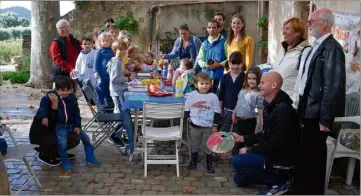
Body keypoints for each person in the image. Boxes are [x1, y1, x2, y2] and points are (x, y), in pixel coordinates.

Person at [291, 8, 346, 195]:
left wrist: (325, 118)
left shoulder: (332, 48)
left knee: (314, 155)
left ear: (323, 22)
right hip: (308, 108)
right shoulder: (316, 46)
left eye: (311, 21)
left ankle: (310, 191)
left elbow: (333, 86)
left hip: (317, 113)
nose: (308, 24)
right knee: (305, 153)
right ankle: (301, 188)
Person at [231, 72, 301, 195]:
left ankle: (281, 182)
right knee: (238, 177)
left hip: (280, 161)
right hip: (271, 155)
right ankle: (266, 178)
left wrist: (250, 150)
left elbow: (276, 143)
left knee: (237, 161)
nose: (259, 85)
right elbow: (265, 135)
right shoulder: (272, 106)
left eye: (262, 82)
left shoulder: (283, 110)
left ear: (273, 85)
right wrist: (242, 138)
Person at [38, 76, 101, 170]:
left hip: (72, 124)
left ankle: (90, 157)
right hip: (60, 126)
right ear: (57, 89)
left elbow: (76, 112)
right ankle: (64, 159)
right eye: (62, 90)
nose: (65, 93)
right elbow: (42, 105)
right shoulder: (51, 97)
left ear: (71, 89)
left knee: (86, 139)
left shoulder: (72, 98)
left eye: (68, 90)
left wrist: (77, 125)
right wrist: (44, 116)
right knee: (62, 143)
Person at [29, 91, 80, 166]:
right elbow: (52, 125)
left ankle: (56, 152)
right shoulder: (45, 107)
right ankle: (45, 155)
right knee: (61, 136)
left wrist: (77, 125)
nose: (65, 93)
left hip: (52, 133)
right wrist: (54, 107)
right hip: (41, 137)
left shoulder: (66, 102)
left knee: (74, 137)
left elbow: (73, 116)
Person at [184, 72, 221, 173]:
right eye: (202, 83)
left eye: (207, 83)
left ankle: (209, 164)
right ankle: (193, 162)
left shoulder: (213, 97)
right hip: (194, 126)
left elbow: (217, 112)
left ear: (210, 84)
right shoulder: (192, 96)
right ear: (196, 84)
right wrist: (187, 121)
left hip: (208, 127)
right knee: (194, 145)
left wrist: (215, 126)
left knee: (207, 145)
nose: (204, 86)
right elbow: (187, 109)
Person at [272, 18, 311, 108]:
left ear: (298, 33)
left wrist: (294, 103)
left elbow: (302, 80)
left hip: (289, 103)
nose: (284, 32)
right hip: (275, 99)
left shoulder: (305, 52)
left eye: (287, 29)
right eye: (283, 28)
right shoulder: (282, 49)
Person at [106, 40, 135, 155]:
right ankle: (115, 135)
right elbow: (114, 79)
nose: (123, 51)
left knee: (120, 113)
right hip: (117, 92)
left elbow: (109, 70)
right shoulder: (117, 62)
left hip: (117, 91)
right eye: (121, 49)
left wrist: (125, 72)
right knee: (122, 114)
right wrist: (127, 79)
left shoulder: (114, 60)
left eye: (124, 49)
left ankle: (118, 135)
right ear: (115, 50)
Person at [231, 67, 263, 155]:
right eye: (249, 78)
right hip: (239, 121)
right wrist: (234, 112)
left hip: (249, 122)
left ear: (259, 79)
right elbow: (238, 102)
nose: (251, 81)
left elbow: (260, 111)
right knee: (237, 142)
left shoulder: (259, 94)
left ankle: (246, 161)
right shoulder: (244, 90)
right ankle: (236, 160)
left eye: (254, 79)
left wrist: (260, 124)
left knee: (248, 143)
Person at [218, 51, 246, 133]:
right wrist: (220, 109)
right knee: (224, 131)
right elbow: (221, 94)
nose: (235, 66)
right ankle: (223, 145)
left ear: (242, 64)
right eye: (233, 63)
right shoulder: (224, 77)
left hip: (240, 110)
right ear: (229, 63)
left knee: (237, 131)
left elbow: (246, 95)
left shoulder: (245, 77)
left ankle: (237, 146)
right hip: (226, 110)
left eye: (238, 63)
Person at [196, 20, 227, 92]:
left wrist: (219, 64)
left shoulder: (225, 42)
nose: (211, 30)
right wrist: (205, 64)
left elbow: (229, 59)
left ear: (218, 29)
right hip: (205, 77)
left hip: (219, 76)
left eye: (214, 27)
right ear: (207, 28)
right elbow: (200, 58)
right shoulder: (204, 43)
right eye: (209, 27)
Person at [94, 32, 115, 107]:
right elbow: (96, 62)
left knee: (109, 88)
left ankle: (109, 102)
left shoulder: (112, 51)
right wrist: (96, 71)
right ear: (100, 42)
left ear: (111, 41)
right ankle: (100, 102)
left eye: (107, 41)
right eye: (103, 41)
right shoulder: (100, 51)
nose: (105, 42)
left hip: (110, 75)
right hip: (101, 75)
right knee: (100, 88)